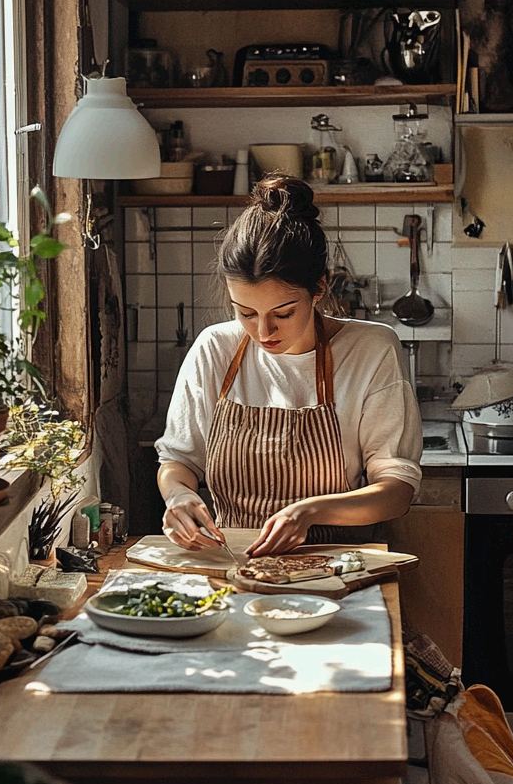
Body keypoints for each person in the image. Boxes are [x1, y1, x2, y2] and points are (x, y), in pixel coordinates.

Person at [155, 173, 422, 558]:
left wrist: (312, 511)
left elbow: (396, 491)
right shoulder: (216, 349)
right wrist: (178, 495)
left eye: (283, 312)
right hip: (232, 564)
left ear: (319, 288)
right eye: (245, 312)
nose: (263, 331)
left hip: (337, 567)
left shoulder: (371, 349)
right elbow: (178, 460)